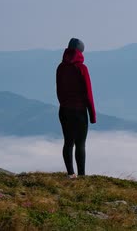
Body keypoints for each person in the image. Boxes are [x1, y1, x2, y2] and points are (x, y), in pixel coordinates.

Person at [56, 38, 97, 178]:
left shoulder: (60, 67)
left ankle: (70, 173)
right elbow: (88, 93)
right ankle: (81, 175)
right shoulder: (82, 68)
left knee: (68, 142)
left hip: (64, 110)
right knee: (80, 144)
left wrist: (63, 104)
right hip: (79, 111)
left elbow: (59, 90)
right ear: (81, 51)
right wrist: (92, 115)